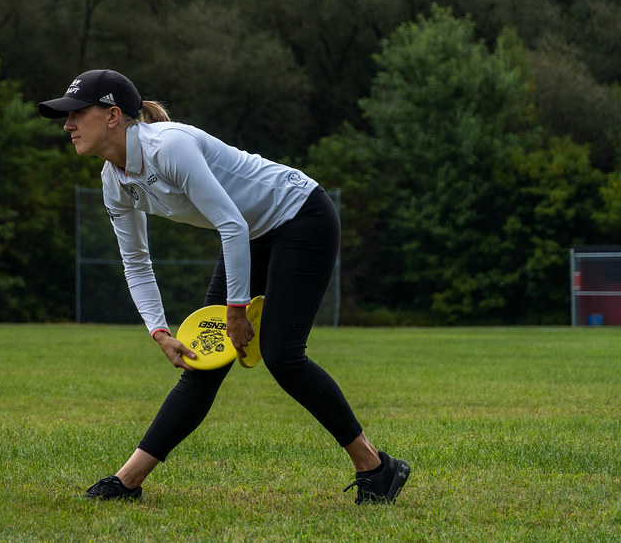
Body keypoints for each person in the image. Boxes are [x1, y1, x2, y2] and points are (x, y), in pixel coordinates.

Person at [38, 69, 410, 505]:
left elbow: (230, 224)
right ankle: (126, 483)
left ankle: (376, 467)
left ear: (114, 115)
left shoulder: (169, 146)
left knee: (283, 355)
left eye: (77, 113)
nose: (67, 125)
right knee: (203, 363)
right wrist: (159, 331)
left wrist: (236, 311)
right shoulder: (112, 179)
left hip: (301, 216)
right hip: (251, 233)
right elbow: (136, 262)